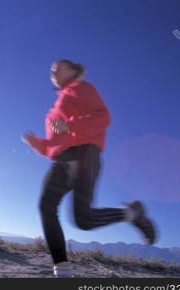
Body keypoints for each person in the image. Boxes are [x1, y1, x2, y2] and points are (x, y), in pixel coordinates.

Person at [21, 59, 157, 278]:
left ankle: (63, 271)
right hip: (64, 157)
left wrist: (71, 125)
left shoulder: (79, 88)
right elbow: (53, 145)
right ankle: (131, 214)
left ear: (73, 71)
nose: (54, 69)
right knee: (66, 214)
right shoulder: (54, 108)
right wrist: (37, 143)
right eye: (52, 68)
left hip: (84, 154)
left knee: (64, 212)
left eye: (60, 66)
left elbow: (103, 116)